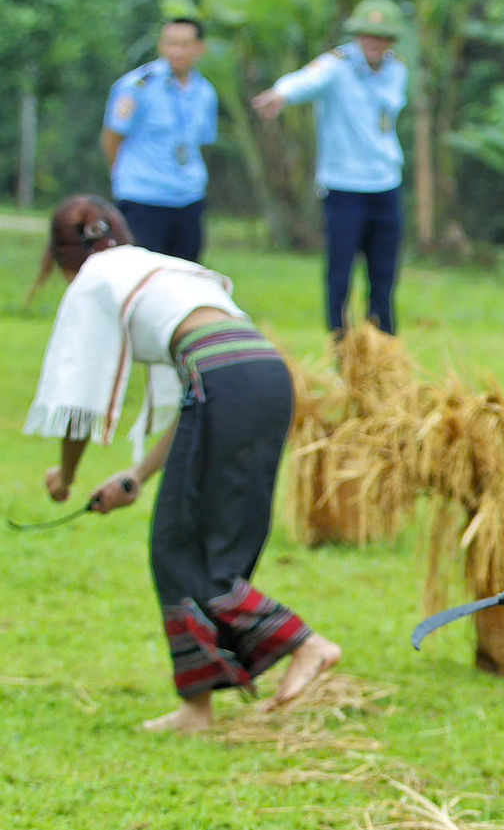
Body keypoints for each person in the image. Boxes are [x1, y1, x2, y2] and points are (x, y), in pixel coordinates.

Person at [22, 197, 343, 732]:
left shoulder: (94, 279)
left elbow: (80, 400)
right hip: (267, 375)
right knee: (208, 547)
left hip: (224, 381)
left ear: (62, 257)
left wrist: (66, 477)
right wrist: (136, 477)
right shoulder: (159, 267)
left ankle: (299, 645)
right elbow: (196, 395)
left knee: (177, 549)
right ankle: (201, 702)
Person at [251, 0, 409, 336]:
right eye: (366, 34)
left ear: (391, 40)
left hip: (385, 182)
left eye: (380, 36)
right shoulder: (336, 66)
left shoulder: (398, 70)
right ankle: (340, 342)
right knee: (340, 272)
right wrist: (280, 94)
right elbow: (304, 80)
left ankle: (384, 344)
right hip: (344, 186)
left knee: (384, 273)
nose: (372, 42)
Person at [101, 17, 217, 264]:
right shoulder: (137, 86)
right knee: (142, 274)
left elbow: (201, 143)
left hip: (189, 196)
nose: (176, 51)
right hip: (143, 197)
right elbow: (112, 137)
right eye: (170, 43)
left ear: (199, 48)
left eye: (184, 44)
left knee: (186, 274)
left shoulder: (205, 92)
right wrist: (123, 176)